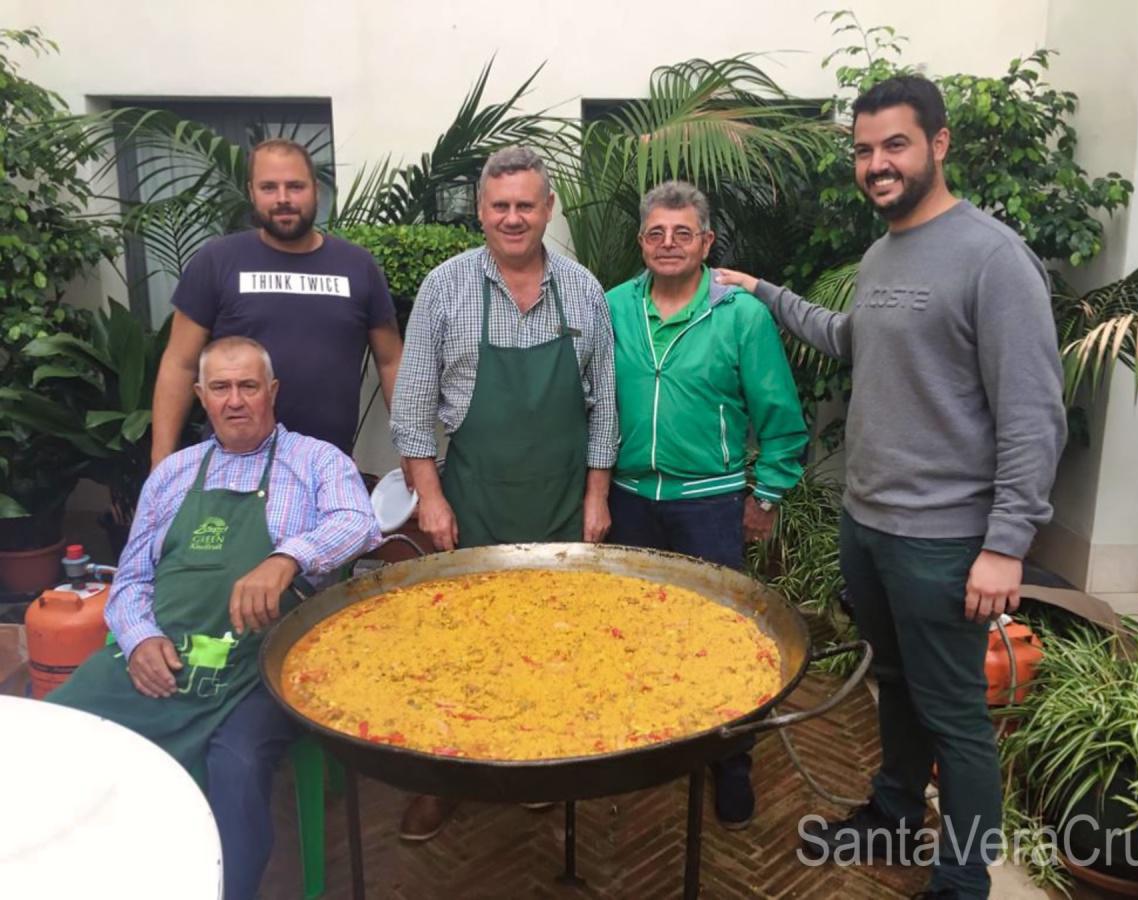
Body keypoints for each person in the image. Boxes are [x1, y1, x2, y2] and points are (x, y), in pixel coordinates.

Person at [716, 75, 1067, 899]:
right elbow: (854, 338)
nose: (877, 163)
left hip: (944, 541)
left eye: (895, 145)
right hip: (868, 526)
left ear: (939, 144)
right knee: (898, 686)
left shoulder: (992, 258)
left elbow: (1033, 412)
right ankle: (894, 814)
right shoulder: (883, 253)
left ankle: (961, 882)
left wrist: (1006, 545)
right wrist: (765, 293)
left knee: (957, 718)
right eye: (865, 149)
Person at [50, 336, 382, 900]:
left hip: (262, 666)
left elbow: (359, 522)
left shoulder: (316, 460)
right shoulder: (172, 474)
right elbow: (131, 579)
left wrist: (286, 558)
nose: (235, 400)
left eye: (248, 386)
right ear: (201, 396)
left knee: (237, 766)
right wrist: (139, 639)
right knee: (54, 733)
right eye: (221, 388)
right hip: (163, 653)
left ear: (272, 392)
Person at [389, 146, 618, 839]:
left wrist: (597, 497)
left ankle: (536, 763)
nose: (512, 218)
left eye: (525, 205)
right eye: (499, 206)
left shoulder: (584, 290)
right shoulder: (445, 287)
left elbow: (604, 407)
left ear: (548, 209)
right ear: (481, 212)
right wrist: (430, 497)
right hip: (473, 502)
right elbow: (413, 407)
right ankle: (444, 779)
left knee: (550, 641)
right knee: (458, 643)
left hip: (560, 502)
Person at [606, 180, 808, 828]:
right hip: (629, 501)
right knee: (635, 631)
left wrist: (766, 495)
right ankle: (653, 744)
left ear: (707, 242)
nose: (668, 244)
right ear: (641, 242)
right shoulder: (612, 307)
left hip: (709, 505)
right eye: (656, 233)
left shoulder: (741, 316)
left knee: (721, 640)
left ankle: (731, 763)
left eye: (682, 233)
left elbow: (781, 417)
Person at [150, 137, 402, 466]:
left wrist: (410, 450)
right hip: (232, 464)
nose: (283, 198)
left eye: (295, 186)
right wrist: (161, 461)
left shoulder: (357, 265)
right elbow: (180, 364)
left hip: (327, 468)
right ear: (252, 192)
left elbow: (391, 362)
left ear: (316, 190)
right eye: (269, 187)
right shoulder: (216, 261)